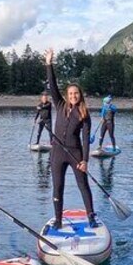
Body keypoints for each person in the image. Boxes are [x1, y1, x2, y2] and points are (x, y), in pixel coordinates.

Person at [44, 48, 97, 229]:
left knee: (83, 185)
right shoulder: (59, 105)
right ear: (67, 96)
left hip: (75, 154)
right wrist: (49, 63)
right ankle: (58, 220)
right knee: (57, 187)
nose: (73, 96)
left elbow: (85, 139)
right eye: (71, 93)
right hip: (57, 153)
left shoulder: (83, 114)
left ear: (80, 95)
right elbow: (52, 84)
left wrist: (85, 160)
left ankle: (91, 216)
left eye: (76, 93)